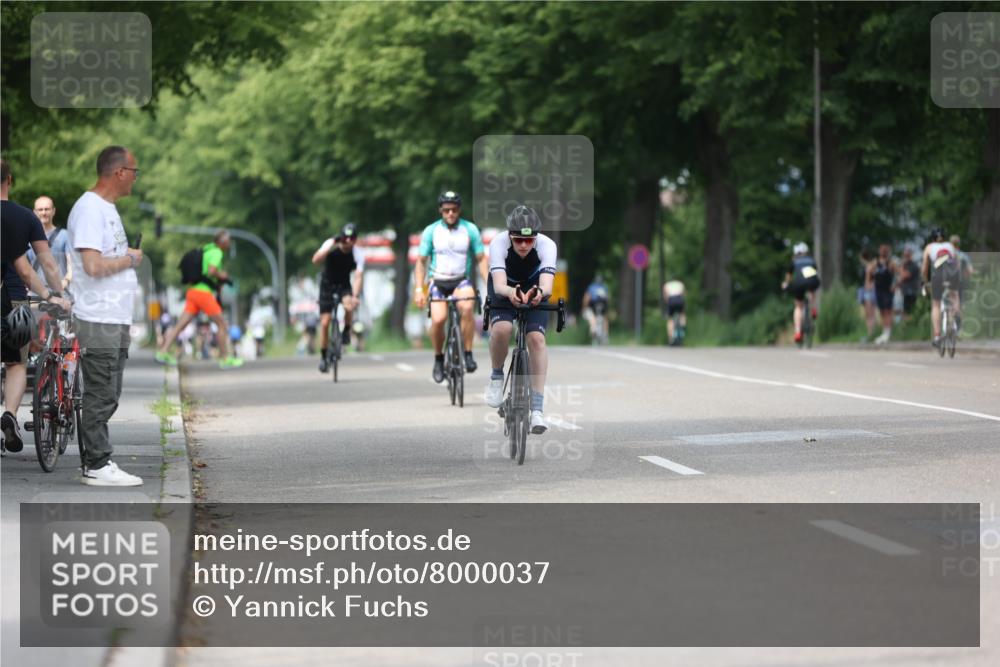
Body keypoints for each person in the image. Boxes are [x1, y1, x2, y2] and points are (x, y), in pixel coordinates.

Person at [66, 145, 145, 485]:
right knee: (100, 393)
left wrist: (126, 254)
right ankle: (97, 464)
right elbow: (93, 265)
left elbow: (104, 253)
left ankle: (97, 461)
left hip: (114, 317)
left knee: (109, 392)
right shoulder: (90, 210)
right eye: (134, 171)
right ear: (119, 173)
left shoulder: (107, 209)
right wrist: (128, 260)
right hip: (98, 318)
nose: (135, 178)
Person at [1, 160, 72, 454]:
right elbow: (42, 264)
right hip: (14, 299)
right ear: (10, 180)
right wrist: (55, 294)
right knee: (16, 363)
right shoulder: (24, 217)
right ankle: (9, 415)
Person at [483, 205, 557, 434]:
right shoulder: (498, 243)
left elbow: (546, 285)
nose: (523, 245)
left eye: (529, 240)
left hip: (534, 289)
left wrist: (536, 293)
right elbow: (498, 285)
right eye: (518, 240)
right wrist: (511, 293)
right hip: (505, 287)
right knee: (503, 329)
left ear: (536, 237)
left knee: (536, 339)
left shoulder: (547, 245)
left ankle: (537, 409)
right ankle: (497, 375)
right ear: (510, 236)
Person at [414, 191, 488, 382]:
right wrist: (419, 289)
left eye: (454, 210)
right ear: (441, 210)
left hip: (460, 280)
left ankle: (468, 353)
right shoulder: (431, 231)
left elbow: (481, 259)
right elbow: (421, 262)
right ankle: (439, 359)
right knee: (439, 319)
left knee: (468, 307)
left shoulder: (470, 230)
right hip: (438, 281)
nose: (450, 214)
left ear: (459, 210)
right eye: (446, 210)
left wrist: (491, 285)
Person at [156, 230, 243, 368]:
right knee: (222, 325)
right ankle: (225, 359)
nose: (229, 243)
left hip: (193, 292)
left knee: (180, 325)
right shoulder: (217, 252)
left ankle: (163, 352)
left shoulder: (207, 250)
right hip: (203, 294)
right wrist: (223, 276)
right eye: (228, 240)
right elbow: (211, 271)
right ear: (223, 242)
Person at [311, 222, 364, 372]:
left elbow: (359, 276)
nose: (348, 241)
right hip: (327, 285)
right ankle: (323, 356)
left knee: (349, 304)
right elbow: (315, 260)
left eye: (352, 238)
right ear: (341, 237)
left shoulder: (357, 253)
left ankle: (346, 329)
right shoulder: (331, 244)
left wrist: (355, 295)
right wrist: (330, 245)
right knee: (325, 322)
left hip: (343, 284)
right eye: (345, 238)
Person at [25, 195, 73, 295]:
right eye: (40, 209)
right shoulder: (27, 237)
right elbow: (23, 266)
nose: (43, 212)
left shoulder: (65, 235)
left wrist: (66, 281)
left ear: (53, 211)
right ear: (34, 212)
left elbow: (72, 264)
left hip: (60, 293)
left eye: (47, 209)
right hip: (35, 295)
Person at [921, 227, 960, 347]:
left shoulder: (929, 247)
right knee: (954, 297)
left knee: (936, 304)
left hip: (937, 276)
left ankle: (937, 335)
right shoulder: (950, 246)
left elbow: (925, 268)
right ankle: (956, 321)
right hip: (952, 275)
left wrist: (925, 281)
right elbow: (957, 262)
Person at [781, 242, 821, 344]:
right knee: (812, 290)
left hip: (799, 284)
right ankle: (813, 308)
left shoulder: (794, 262)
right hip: (812, 281)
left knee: (798, 307)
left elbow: (788, 277)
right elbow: (814, 272)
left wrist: (785, 284)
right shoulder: (811, 260)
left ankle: (798, 332)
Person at [871, 244, 897, 344]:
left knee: (888, 311)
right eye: (882, 250)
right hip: (879, 290)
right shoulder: (875, 263)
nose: (883, 252)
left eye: (885, 251)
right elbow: (869, 273)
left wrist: (895, 285)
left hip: (887, 290)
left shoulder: (891, 263)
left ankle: (888, 332)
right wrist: (870, 282)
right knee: (882, 311)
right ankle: (884, 332)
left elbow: (899, 274)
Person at [581, 274, 610, 343]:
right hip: (602, 306)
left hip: (593, 306)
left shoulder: (591, 287)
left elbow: (586, 299)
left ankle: (594, 333)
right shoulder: (604, 287)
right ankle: (606, 334)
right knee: (605, 318)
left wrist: (584, 308)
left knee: (592, 319)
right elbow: (608, 298)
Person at [857, 247, 877, 339]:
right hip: (866, 291)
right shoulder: (871, 265)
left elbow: (868, 281)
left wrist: (867, 290)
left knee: (870, 314)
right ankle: (871, 333)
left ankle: (871, 333)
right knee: (868, 314)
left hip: (868, 291)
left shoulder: (870, 266)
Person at [898, 247, 921, 319]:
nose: (905, 257)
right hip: (905, 291)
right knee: (904, 310)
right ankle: (906, 324)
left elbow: (905, 276)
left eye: (907, 256)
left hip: (911, 291)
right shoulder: (906, 265)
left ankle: (909, 324)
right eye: (904, 256)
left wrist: (901, 266)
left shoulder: (913, 265)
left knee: (909, 310)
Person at [662, 278, 686, 345]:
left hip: (671, 300)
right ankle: (683, 326)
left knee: (670, 319)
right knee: (682, 314)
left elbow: (665, 296)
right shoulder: (680, 284)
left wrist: (668, 303)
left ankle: (670, 338)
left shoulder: (667, 285)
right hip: (680, 299)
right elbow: (683, 294)